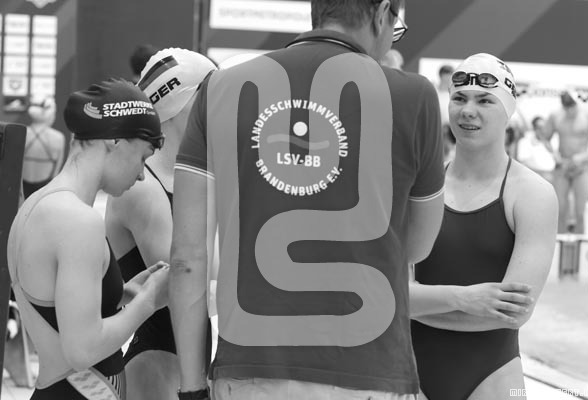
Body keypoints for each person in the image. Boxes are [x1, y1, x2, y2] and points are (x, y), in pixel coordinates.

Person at [169, 0, 445, 399]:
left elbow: (186, 260)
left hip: (249, 369)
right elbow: (417, 246)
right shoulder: (414, 96)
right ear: (381, 12)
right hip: (368, 368)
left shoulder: (220, 88)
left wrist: (192, 388)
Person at [7, 79, 170, 399]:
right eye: (143, 157)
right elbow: (82, 349)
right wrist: (149, 300)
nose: (141, 174)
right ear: (116, 141)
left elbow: (57, 309)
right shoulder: (79, 221)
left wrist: (126, 293)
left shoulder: (39, 205)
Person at [409, 53, 558, 400]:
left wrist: (417, 304)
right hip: (411, 370)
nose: (468, 111)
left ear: (508, 109)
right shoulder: (418, 188)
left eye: (485, 100)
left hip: (498, 377)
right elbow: (389, 296)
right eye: (459, 98)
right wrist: (466, 299)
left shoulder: (534, 194)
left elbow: (512, 314)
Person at [105, 48, 216, 400]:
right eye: (212, 95)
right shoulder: (142, 187)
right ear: (182, 104)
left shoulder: (190, 178)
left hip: (185, 362)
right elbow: (184, 281)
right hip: (155, 365)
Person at [542, 91, 588, 233]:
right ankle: (560, 241)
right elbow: (545, 137)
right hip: (562, 166)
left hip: (582, 167)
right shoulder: (556, 115)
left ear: (576, 104)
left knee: (580, 211)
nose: (570, 111)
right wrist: (554, 154)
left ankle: (579, 242)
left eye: (572, 107)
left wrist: (585, 156)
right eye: (566, 108)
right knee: (560, 209)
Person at [22, 96, 66, 198]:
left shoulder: (22, 134)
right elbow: (56, 172)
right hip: (44, 190)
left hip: (22, 188)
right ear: (51, 114)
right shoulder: (58, 138)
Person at [516, 116, 555, 181]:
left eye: (545, 127)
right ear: (534, 129)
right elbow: (522, 164)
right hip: (534, 179)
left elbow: (558, 161)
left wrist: (549, 147)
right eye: (540, 128)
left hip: (551, 178)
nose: (543, 130)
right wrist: (540, 174)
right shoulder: (525, 142)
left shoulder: (549, 142)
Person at [437, 64, 456, 162]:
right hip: (436, 129)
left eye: (451, 76)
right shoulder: (434, 92)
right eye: (447, 75)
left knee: (448, 154)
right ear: (441, 76)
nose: (449, 78)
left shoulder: (454, 94)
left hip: (450, 131)